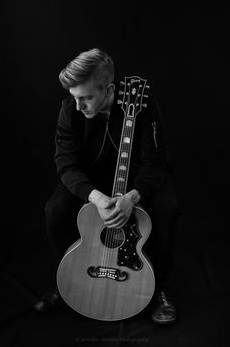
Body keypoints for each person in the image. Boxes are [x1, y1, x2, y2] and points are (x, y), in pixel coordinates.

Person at [34, 48, 180, 324]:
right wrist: (96, 198)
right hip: (93, 183)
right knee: (55, 210)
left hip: (137, 181)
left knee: (166, 208)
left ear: (109, 88)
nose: (79, 106)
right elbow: (66, 165)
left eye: (86, 97)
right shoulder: (71, 109)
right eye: (75, 98)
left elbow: (156, 163)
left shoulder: (142, 105)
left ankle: (161, 289)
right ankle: (68, 279)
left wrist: (133, 197)